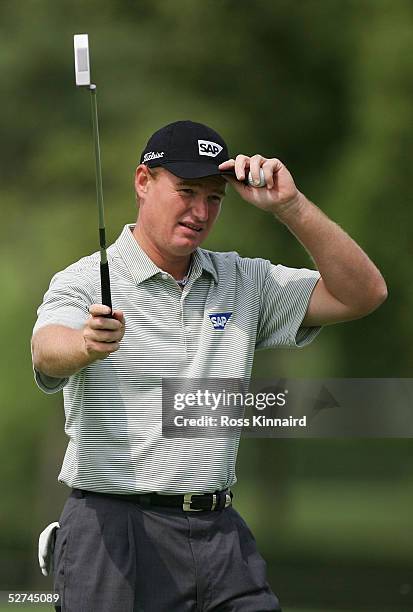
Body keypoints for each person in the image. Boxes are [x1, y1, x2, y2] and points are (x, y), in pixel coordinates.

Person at [31, 120, 387, 612]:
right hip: (111, 532)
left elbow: (363, 294)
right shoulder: (88, 280)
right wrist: (87, 344)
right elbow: (47, 349)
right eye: (186, 191)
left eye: (214, 197)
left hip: (218, 535)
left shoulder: (244, 280)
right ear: (143, 181)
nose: (200, 212)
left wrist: (292, 208)